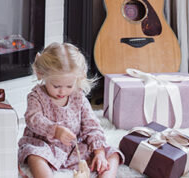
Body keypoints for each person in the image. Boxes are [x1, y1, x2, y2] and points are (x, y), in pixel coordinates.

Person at [18, 42, 122, 177]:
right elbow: (33, 119)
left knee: (113, 154)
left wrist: (99, 153)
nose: (62, 91)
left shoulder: (78, 97)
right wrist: (54, 130)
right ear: (42, 75)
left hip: (74, 148)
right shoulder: (37, 96)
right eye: (56, 86)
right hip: (46, 146)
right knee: (34, 155)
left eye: (69, 86)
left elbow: (92, 126)